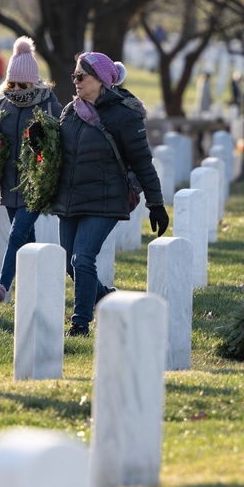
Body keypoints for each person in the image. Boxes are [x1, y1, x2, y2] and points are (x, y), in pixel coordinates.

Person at [53, 51, 168, 337]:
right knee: (69, 263)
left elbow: (142, 161)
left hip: (105, 199)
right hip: (71, 198)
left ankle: (80, 323)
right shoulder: (70, 111)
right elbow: (59, 153)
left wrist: (156, 204)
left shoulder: (124, 115)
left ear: (101, 80)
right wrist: (40, 145)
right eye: (74, 76)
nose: (76, 82)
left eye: (82, 76)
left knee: (83, 259)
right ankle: (106, 299)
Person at [0, 36, 63, 304]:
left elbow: (59, 139)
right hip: (9, 183)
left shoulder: (48, 103)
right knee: (27, 241)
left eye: (22, 84)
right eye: (12, 83)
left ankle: (2, 286)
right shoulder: (4, 104)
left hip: (35, 183)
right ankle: (45, 285)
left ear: (34, 82)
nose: (16, 88)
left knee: (17, 234)